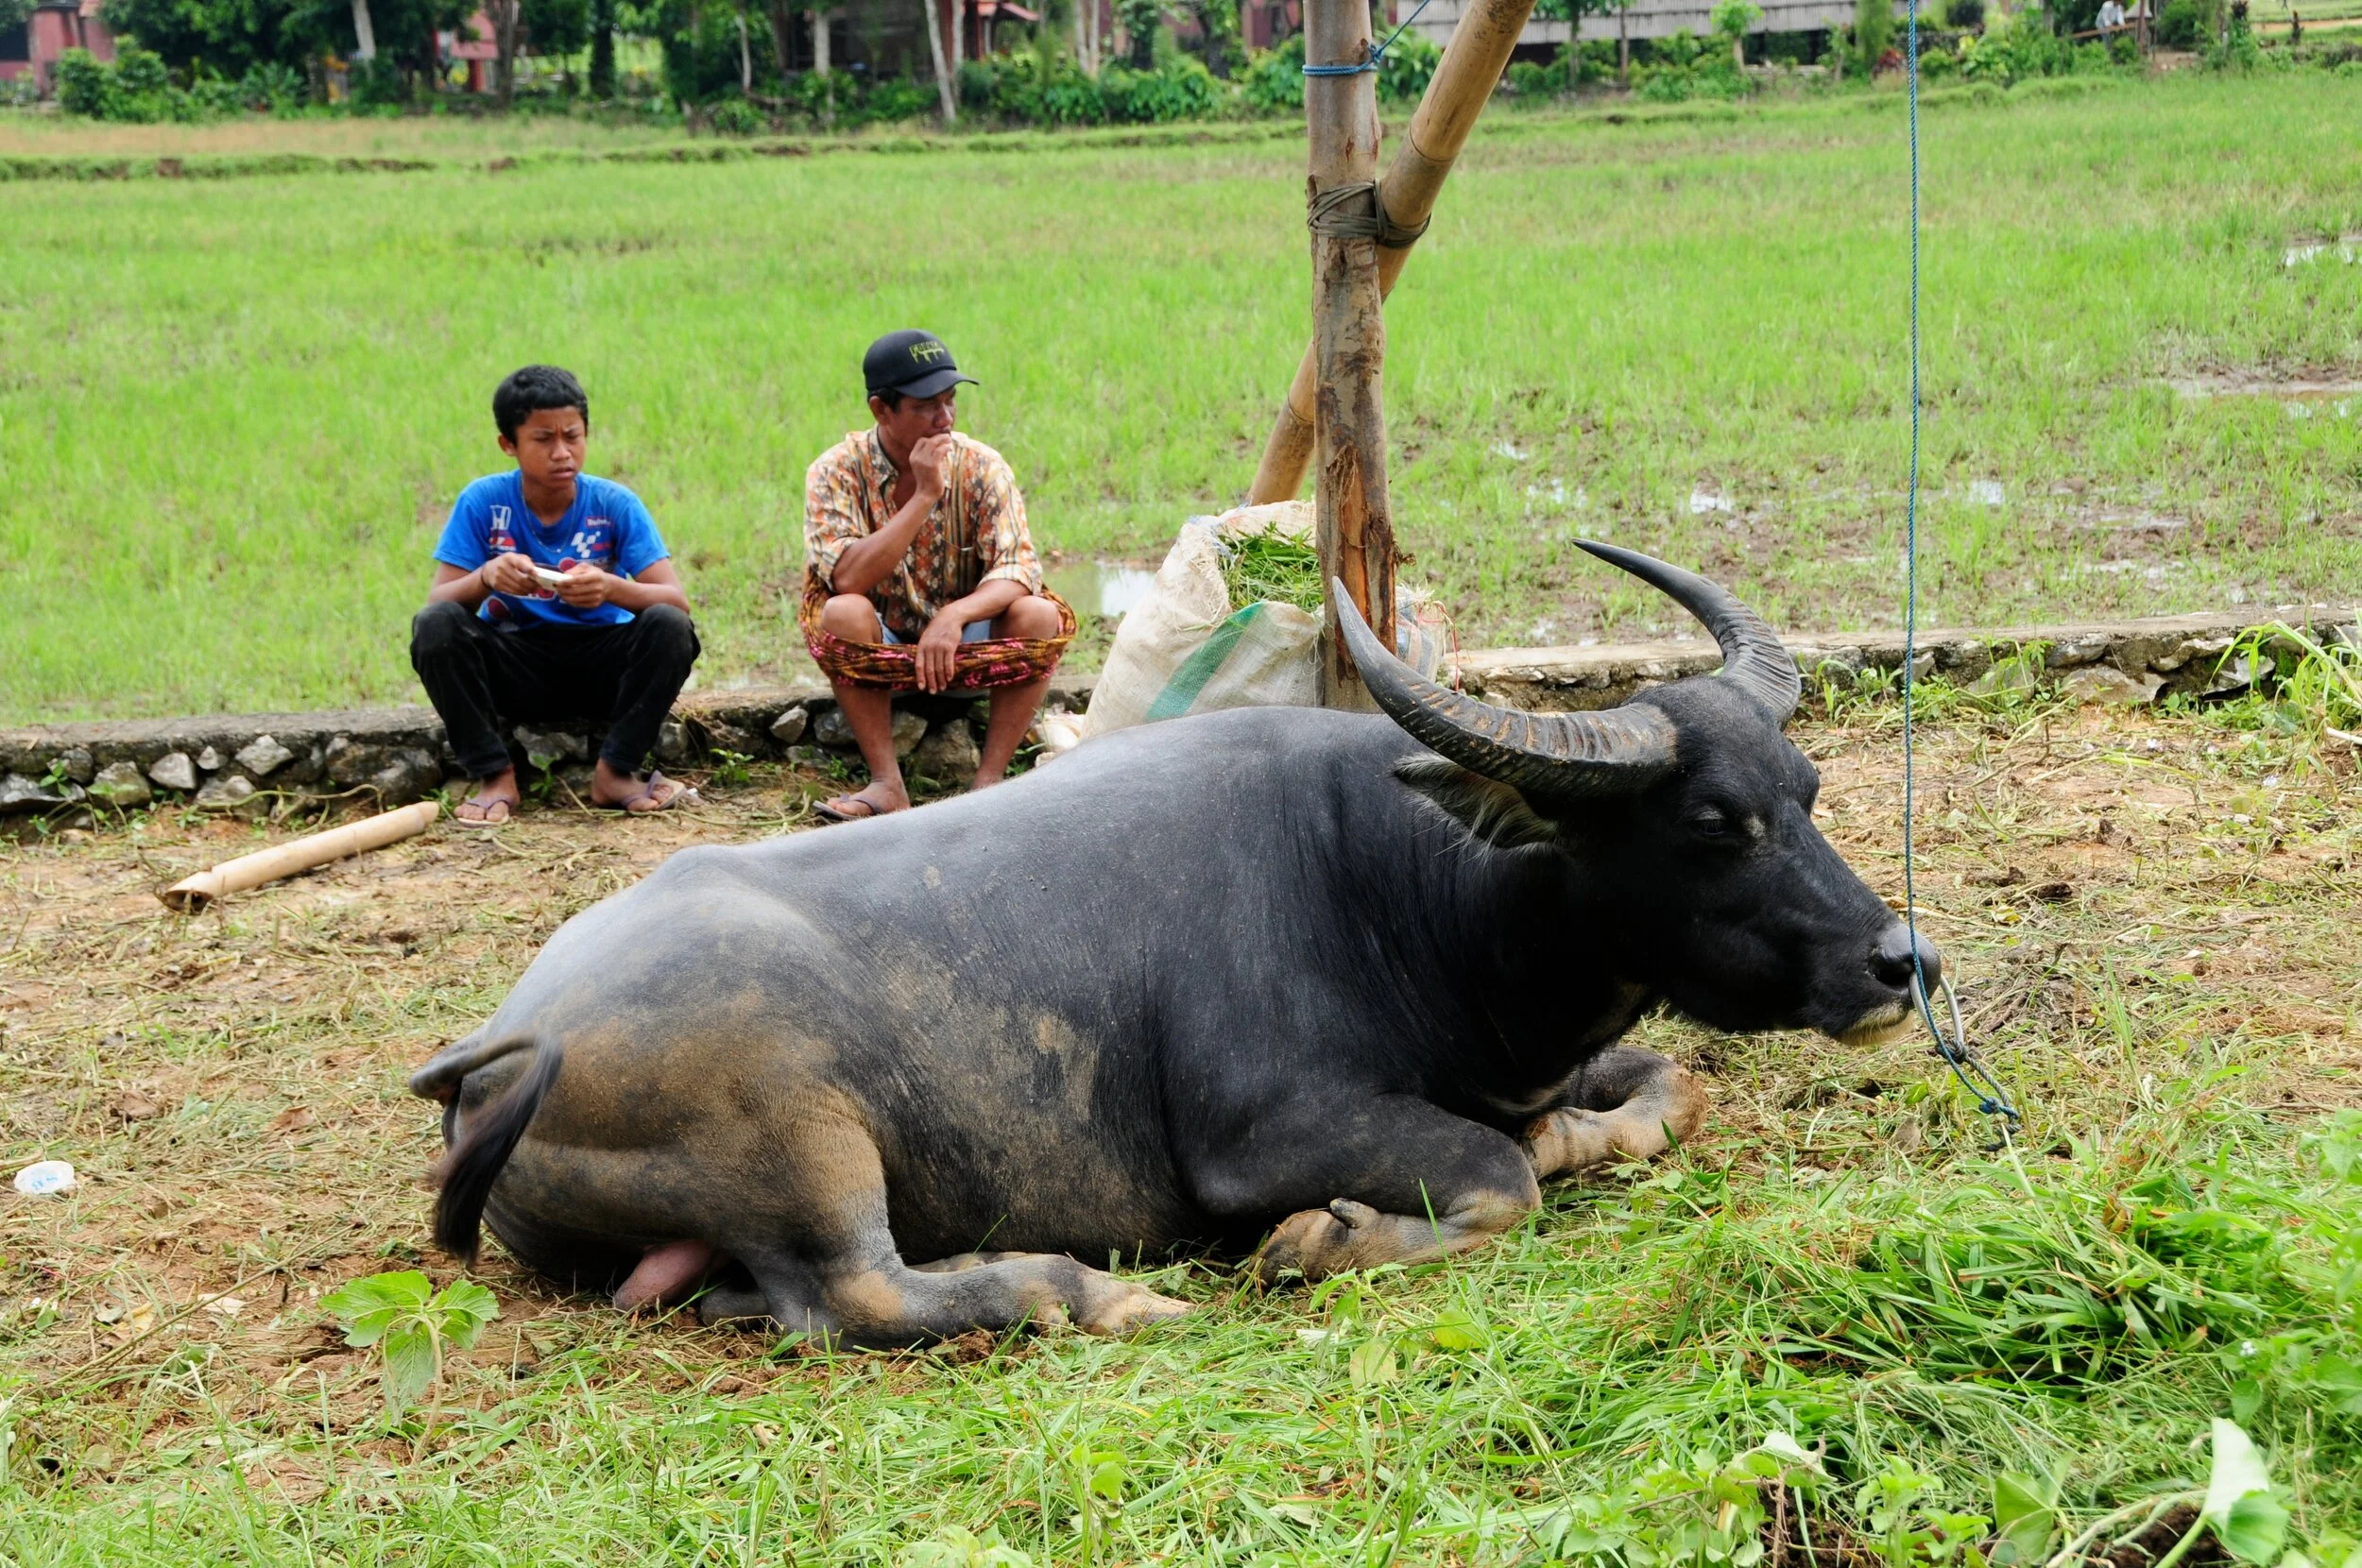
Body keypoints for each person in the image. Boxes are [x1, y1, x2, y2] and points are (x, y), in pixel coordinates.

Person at [411, 365, 701, 826]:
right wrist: (487, 576)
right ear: (509, 444)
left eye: (573, 436)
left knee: (669, 626)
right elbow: (439, 603)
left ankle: (615, 772)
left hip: (603, 667)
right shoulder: (484, 502)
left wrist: (611, 588)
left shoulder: (614, 504)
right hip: (515, 666)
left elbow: (675, 600)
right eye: (543, 439)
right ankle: (495, 775)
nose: (562, 452)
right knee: (435, 627)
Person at [802, 330, 1065, 823]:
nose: (945, 419)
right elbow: (846, 578)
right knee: (842, 613)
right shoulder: (834, 471)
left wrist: (955, 615)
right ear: (882, 410)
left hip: (967, 649)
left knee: (1038, 613)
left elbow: (1019, 568)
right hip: (884, 660)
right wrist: (923, 497)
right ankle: (886, 783)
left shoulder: (982, 466)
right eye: (927, 406)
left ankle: (988, 782)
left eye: (951, 402)